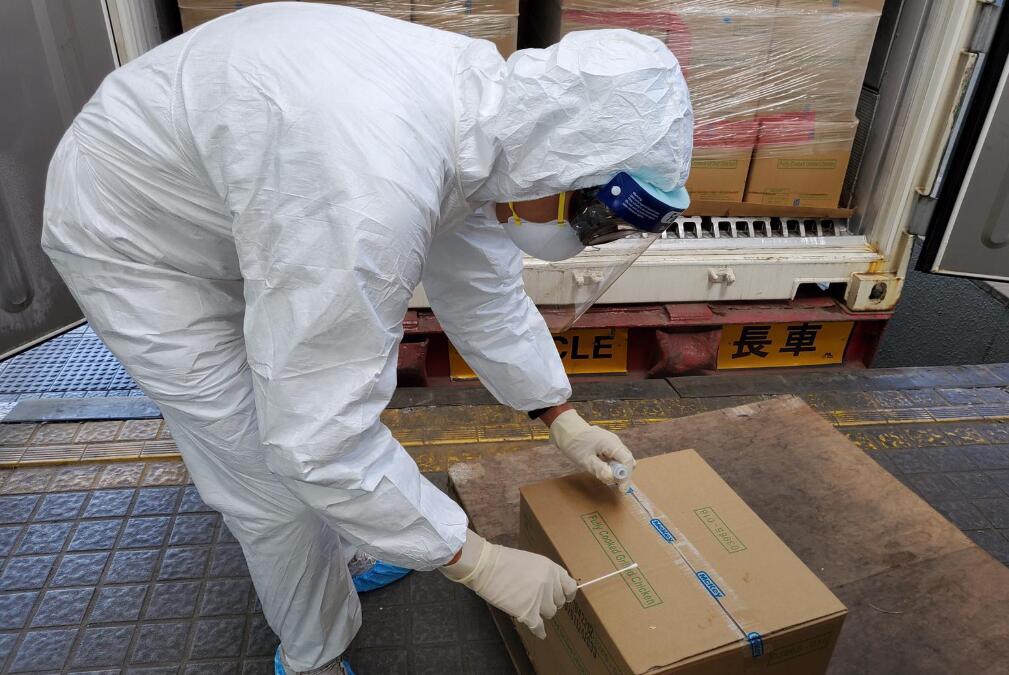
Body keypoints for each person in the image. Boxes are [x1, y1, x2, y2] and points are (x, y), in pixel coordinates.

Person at [41, 3, 692, 673]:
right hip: (130, 235)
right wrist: (477, 560)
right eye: (593, 215)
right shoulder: (369, 189)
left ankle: (350, 550)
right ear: (561, 159)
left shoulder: (488, 127)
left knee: (303, 406)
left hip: (230, 195)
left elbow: (485, 296)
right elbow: (316, 439)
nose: (585, 234)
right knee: (269, 481)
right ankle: (312, 656)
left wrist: (560, 415)